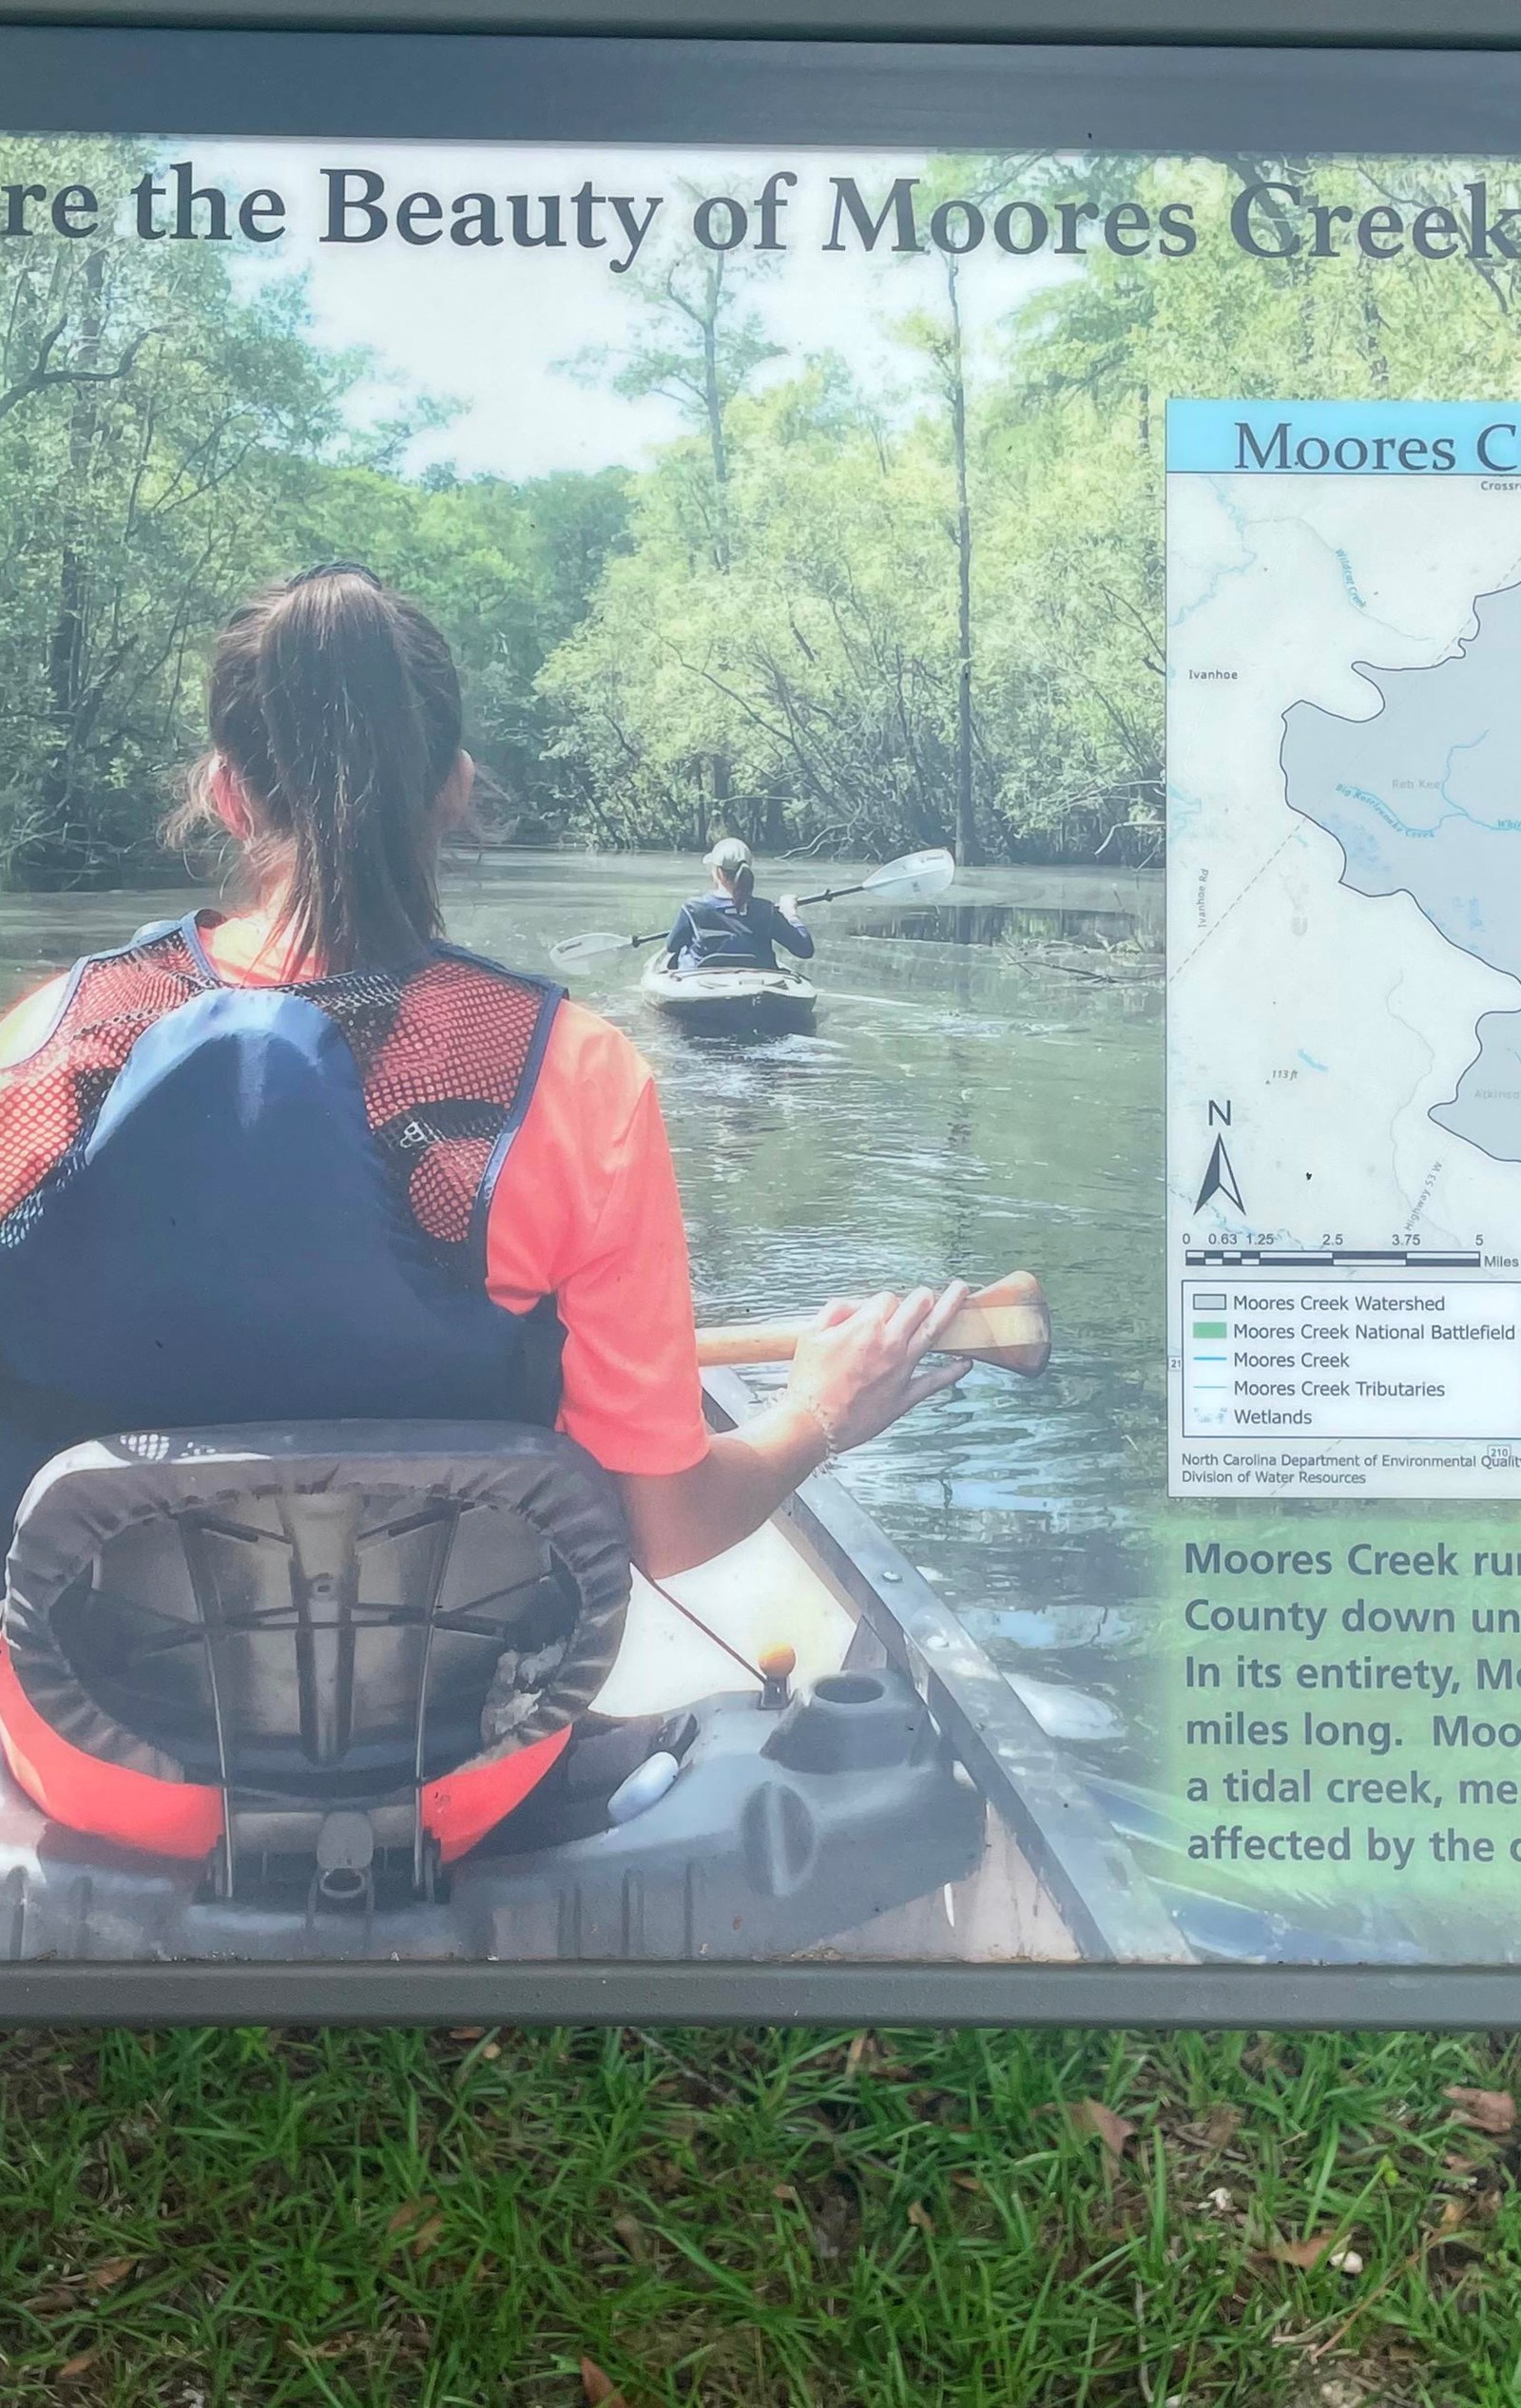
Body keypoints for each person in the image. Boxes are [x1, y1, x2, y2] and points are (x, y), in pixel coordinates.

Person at [0, 568, 971, 1834]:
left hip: (88, 1751)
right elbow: (667, 1530)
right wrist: (817, 1416)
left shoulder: (42, 1050)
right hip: (459, 1768)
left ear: (226, 794)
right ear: (454, 788)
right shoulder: (576, 1077)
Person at [664, 836, 815, 975]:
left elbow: (672, 946)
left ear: (718, 873)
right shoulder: (766, 910)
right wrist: (790, 914)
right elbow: (804, 949)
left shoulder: (693, 908)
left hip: (701, 977)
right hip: (758, 978)